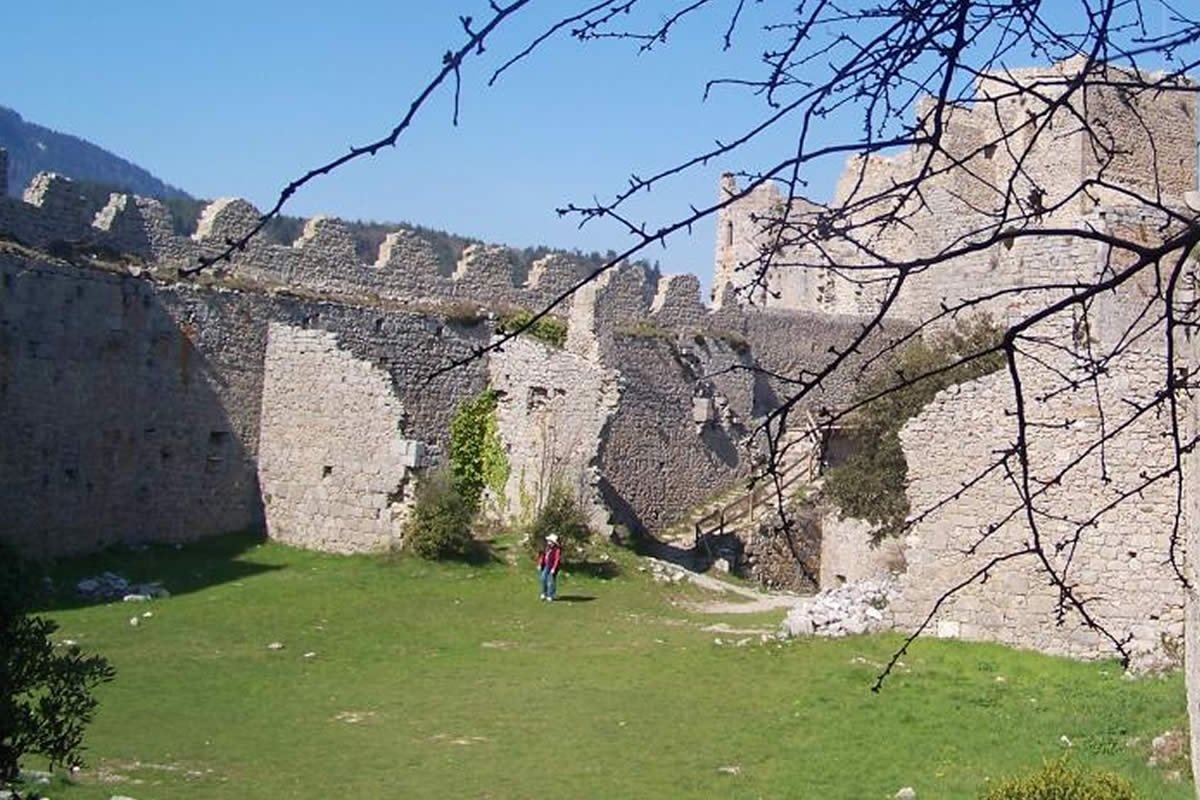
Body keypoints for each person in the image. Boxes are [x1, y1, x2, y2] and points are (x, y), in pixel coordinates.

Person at [538, 533, 561, 601]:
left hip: (552, 567)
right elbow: (543, 556)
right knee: (543, 578)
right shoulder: (547, 548)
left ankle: (550, 594)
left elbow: (557, 560)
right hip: (546, 566)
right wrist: (540, 564)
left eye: (550, 541)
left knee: (551, 581)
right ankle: (544, 593)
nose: (548, 542)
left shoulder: (557, 550)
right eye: (548, 541)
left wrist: (554, 568)